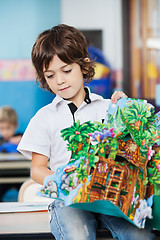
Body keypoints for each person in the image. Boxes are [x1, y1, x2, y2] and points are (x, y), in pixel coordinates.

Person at [17, 24, 155, 240]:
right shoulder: (44, 117)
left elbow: (131, 150)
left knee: (140, 235)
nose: (60, 80)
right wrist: (64, 179)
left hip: (109, 199)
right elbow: (37, 169)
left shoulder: (107, 108)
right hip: (68, 200)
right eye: (50, 75)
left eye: (66, 70)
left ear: (83, 66)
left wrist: (125, 112)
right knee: (77, 236)